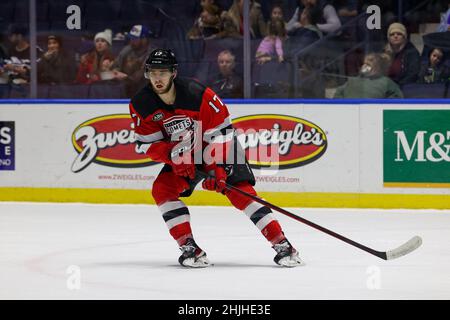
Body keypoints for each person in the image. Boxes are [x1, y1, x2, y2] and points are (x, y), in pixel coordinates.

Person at [129, 48, 302, 268]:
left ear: (173, 73)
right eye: (153, 72)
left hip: (217, 146)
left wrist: (219, 170)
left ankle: (282, 244)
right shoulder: (141, 103)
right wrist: (175, 157)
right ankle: (189, 247)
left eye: (162, 72)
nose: (157, 78)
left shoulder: (198, 93)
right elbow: (148, 145)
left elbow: (224, 133)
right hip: (185, 153)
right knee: (162, 189)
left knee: (239, 191)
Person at [333, 53, 403, 98]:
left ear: (378, 66)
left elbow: (396, 99)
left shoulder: (386, 82)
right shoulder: (352, 81)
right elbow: (338, 93)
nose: (366, 63)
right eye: (364, 62)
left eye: (371, 60)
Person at [112, 25, 154, 97]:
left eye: (135, 39)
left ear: (144, 39)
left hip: (146, 93)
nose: (131, 41)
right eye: (131, 38)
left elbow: (142, 76)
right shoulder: (127, 49)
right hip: (127, 90)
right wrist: (115, 72)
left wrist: (126, 77)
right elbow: (116, 65)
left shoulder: (153, 54)